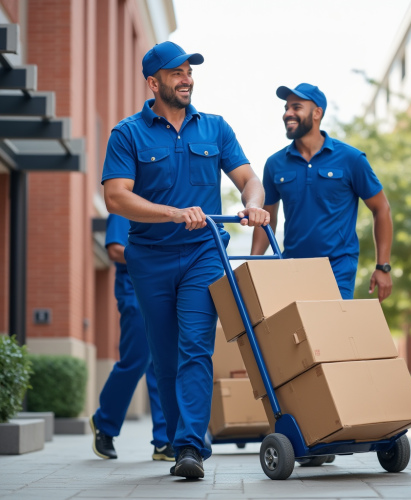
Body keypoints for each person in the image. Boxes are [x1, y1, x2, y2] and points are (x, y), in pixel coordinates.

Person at [101, 41, 269, 479]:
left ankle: (191, 447)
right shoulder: (128, 133)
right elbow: (116, 196)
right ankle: (179, 438)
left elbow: (249, 179)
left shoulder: (214, 128)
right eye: (177, 73)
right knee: (165, 357)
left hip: (203, 254)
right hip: (150, 259)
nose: (187, 78)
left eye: (189, 71)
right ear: (154, 82)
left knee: (196, 346)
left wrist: (254, 204)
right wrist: (174, 213)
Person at [251, 83, 393, 302]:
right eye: (286, 108)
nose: (288, 113)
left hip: (337, 268)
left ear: (317, 113)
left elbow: (381, 208)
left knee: (333, 332)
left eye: (296, 107)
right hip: (292, 269)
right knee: (295, 335)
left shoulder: (351, 159)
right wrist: (253, 264)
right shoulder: (275, 164)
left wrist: (382, 266)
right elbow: (266, 219)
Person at [90, 214, 174, 462]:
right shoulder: (124, 205)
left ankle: (164, 439)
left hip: (163, 287)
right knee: (137, 359)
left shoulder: (163, 201)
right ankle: (104, 422)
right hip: (135, 289)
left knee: (164, 362)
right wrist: (154, 258)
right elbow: (115, 250)